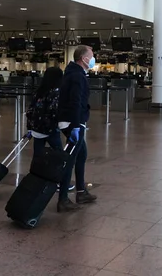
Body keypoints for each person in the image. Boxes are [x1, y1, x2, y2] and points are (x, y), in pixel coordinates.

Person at [56, 45, 97, 212]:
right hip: (73, 122)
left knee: (82, 154)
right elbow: (75, 102)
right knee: (70, 160)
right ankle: (63, 199)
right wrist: (75, 126)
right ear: (84, 58)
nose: (94, 59)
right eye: (92, 55)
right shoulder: (76, 76)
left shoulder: (75, 73)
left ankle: (81, 191)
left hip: (73, 121)